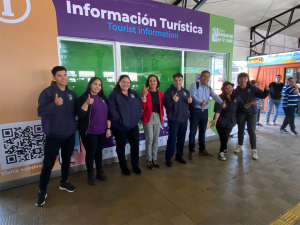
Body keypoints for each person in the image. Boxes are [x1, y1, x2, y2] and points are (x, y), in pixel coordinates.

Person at [36, 66, 77, 206]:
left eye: (65, 75)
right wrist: (54, 104)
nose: (63, 78)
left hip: (69, 133)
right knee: (48, 163)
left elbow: (73, 113)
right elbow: (40, 111)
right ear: (54, 77)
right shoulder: (47, 93)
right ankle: (42, 191)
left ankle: (64, 182)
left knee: (66, 159)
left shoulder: (72, 93)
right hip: (54, 134)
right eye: (59, 75)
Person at [77, 77, 111, 186]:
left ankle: (100, 172)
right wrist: (87, 103)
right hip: (89, 132)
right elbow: (79, 116)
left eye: (99, 85)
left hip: (102, 131)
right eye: (95, 84)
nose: (97, 87)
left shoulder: (103, 98)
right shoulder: (83, 98)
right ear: (90, 85)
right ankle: (90, 174)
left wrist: (108, 128)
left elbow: (108, 115)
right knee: (91, 153)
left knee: (98, 152)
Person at [210, 82, 255, 161]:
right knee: (222, 136)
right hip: (220, 119)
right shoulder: (220, 98)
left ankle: (221, 152)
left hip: (231, 120)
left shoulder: (236, 97)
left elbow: (243, 106)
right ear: (223, 89)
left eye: (230, 87)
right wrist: (215, 120)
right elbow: (218, 111)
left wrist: (250, 104)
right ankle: (224, 148)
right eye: (227, 88)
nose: (229, 89)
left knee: (226, 136)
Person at [108, 75, 142, 175]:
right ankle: (124, 167)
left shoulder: (134, 93)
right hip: (119, 126)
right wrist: (119, 120)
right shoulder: (114, 94)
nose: (126, 84)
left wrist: (137, 118)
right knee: (121, 147)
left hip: (133, 126)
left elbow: (139, 107)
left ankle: (135, 165)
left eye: (128, 82)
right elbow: (112, 110)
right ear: (119, 83)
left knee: (135, 145)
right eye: (123, 82)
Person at [188, 70, 226, 160]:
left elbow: (215, 96)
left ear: (209, 78)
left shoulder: (209, 88)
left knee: (203, 132)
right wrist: (200, 102)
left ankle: (202, 149)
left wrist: (221, 103)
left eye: (208, 76)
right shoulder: (195, 85)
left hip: (205, 112)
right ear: (200, 77)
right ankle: (191, 151)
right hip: (195, 111)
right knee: (193, 132)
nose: (206, 78)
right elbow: (193, 96)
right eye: (204, 76)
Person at [234, 72, 269, 160]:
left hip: (252, 113)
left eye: (245, 78)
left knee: (251, 131)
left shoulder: (253, 88)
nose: (243, 80)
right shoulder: (236, 90)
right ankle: (240, 145)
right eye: (241, 78)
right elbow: (235, 102)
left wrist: (266, 90)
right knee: (240, 130)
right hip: (241, 112)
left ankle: (254, 150)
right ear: (238, 80)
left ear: (247, 79)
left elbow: (262, 95)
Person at [163, 73, 192, 167]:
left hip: (184, 119)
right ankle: (168, 158)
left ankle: (179, 156)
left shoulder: (186, 92)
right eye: (176, 80)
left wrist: (191, 102)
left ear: (182, 80)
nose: (178, 82)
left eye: (179, 80)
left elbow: (190, 103)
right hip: (174, 119)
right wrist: (172, 99)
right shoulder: (169, 92)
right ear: (173, 81)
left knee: (181, 138)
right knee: (172, 139)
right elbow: (166, 104)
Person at [141, 75, 164, 169]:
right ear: (148, 83)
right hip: (148, 118)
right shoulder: (145, 92)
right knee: (149, 139)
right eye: (150, 81)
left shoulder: (161, 93)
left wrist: (162, 119)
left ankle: (154, 159)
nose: (152, 83)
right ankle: (149, 159)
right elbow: (143, 107)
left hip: (158, 118)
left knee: (155, 140)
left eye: (154, 81)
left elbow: (161, 108)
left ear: (157, 82)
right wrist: (144, 97)